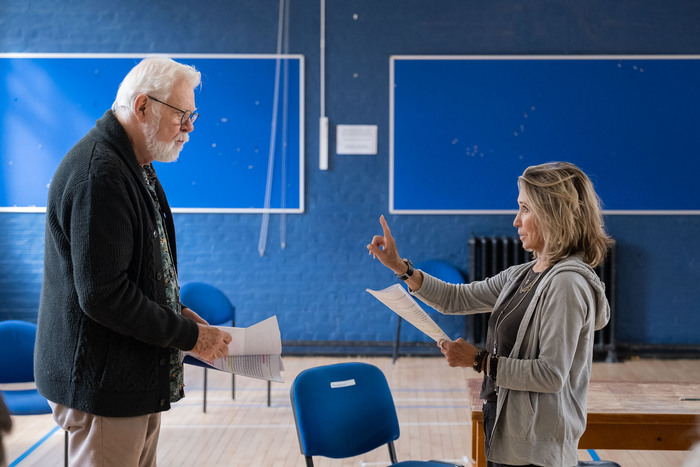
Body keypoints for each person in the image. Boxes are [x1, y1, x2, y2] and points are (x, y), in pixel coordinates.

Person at [35, 57, 232, 466]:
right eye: (182, 115)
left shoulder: (133, 164)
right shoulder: (101, 175)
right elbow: (105, 295)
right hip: (103, 387)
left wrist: (175, 313)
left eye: (191, 115)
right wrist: (189, 337)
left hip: (128, 379)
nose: (190, 127)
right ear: (143, 107)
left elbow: (132, 271)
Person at [368, 162, 612, 467]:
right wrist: (401, 268)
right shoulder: (523, 275)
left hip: (538, 451)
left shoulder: (566, 284)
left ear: (553, 214)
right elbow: (454, 298)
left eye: (525, 209)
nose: (515, 221)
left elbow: (550, 375)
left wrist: (478, 360)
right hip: (509, 435)